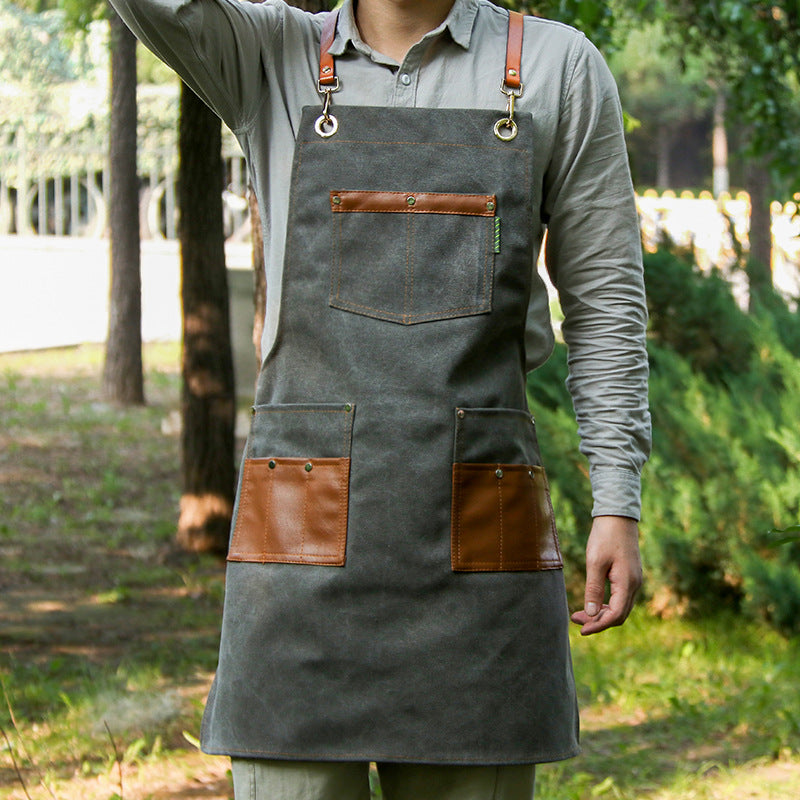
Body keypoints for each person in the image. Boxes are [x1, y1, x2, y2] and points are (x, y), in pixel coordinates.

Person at [109, 0, 651, 797]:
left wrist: (617, 498)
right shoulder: (269, 55)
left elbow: (606, 300)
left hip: (478, 566)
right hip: (297, 573)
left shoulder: (556, 68)